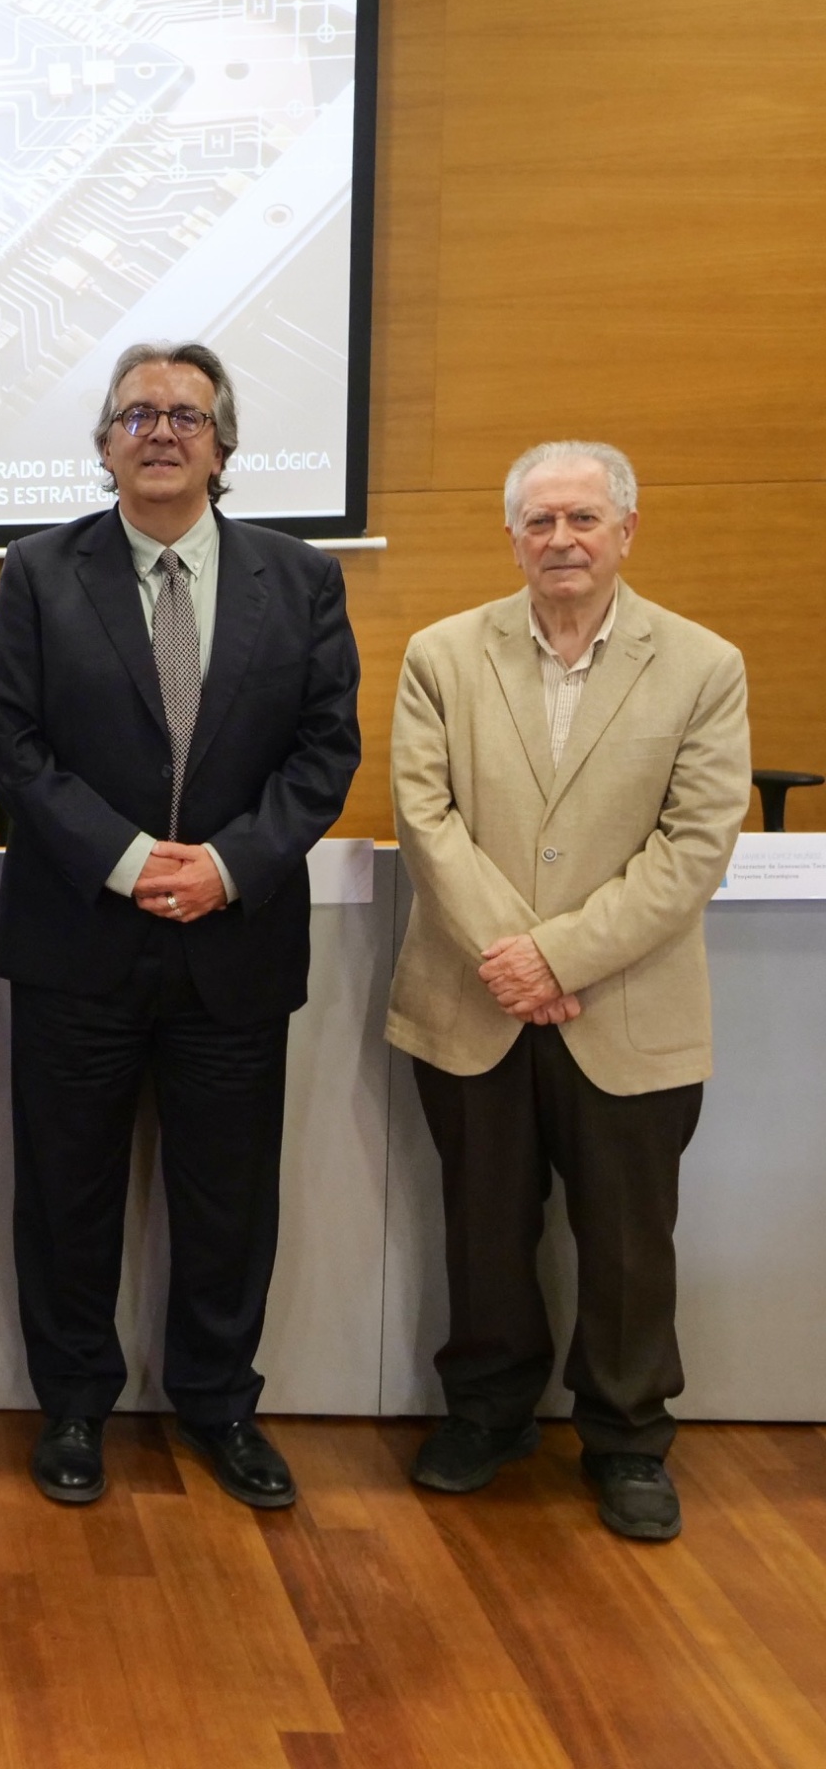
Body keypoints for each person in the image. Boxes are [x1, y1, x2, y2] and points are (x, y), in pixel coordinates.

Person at [0, 341, 360, 1513]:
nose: (159, 432)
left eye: (184, 416)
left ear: (222, 446)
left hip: (233, 945)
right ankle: (73, 1407)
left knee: (226, 1201)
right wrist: (133, 861)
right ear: (103, 444)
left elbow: (324, 752)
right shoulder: (39, 573)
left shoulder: (298, 578)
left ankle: (218, 1403)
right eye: (135, 414)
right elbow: (14, 749)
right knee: (66, 1196)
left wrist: (228, 868)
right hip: (77, 943)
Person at [387, 441, 747, 1542]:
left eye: (583, 519)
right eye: (539, 521)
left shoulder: (702, 665)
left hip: (626, 1008)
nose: (561, 540)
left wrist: (558, 959)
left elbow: (695, 845)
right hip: (472, 1004)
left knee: (630, 1244)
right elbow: (424, 818)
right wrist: (514, 957)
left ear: (626, 531)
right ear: (512, 537)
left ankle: (628, 1439)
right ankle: (487, 1415)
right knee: (483, 1228)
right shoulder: (441, 655)